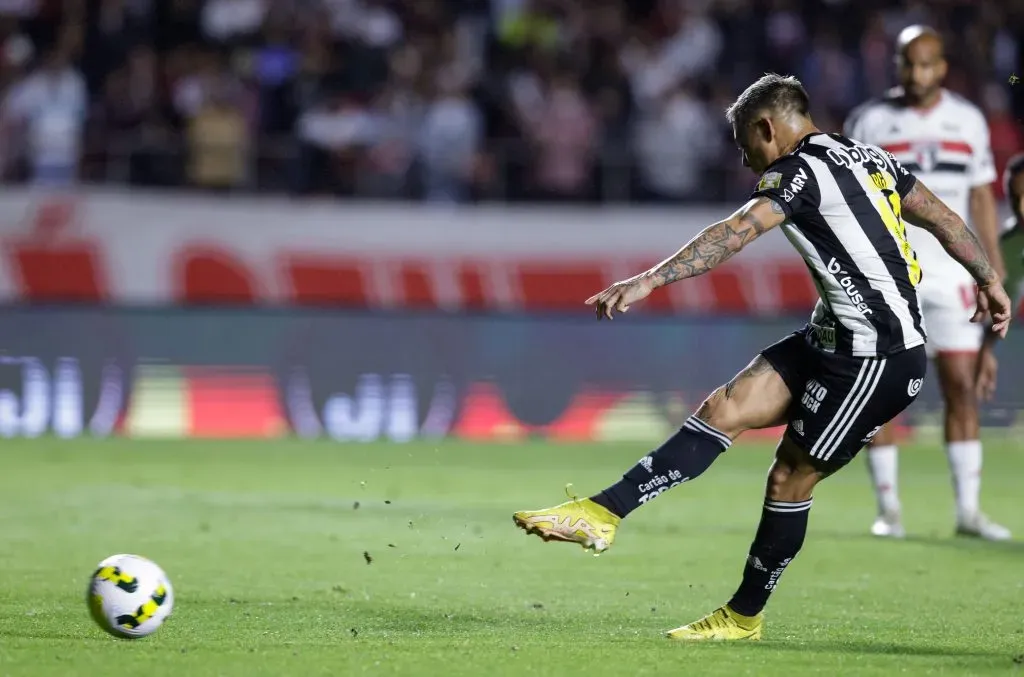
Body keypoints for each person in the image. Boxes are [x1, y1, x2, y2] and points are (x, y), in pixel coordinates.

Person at [512, 73, 1011, 641]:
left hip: (875, 359)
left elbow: (737, 231)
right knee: (723, 407)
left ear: (766, 127)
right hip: (831, 338)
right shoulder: (871, 159)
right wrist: (990, 279)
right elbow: (944, 218)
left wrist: (650, 280)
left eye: (745, 145)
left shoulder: (796, 172)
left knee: (790, 478)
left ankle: (743, 616)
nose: (747, 162)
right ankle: (601, 514)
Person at [843, 25, 1010, 540]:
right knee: (882, 389)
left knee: (961, 388)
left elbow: (982, 197)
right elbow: (850, 201)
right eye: (908, 64)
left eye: (927, 64)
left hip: (952, 273)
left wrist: (992, 268)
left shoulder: (967, 119)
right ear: (896, 64)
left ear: (942, 66)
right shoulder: (870, 121)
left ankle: (967, 512)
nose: (917, 74)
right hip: (890, 273)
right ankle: (888, 511)